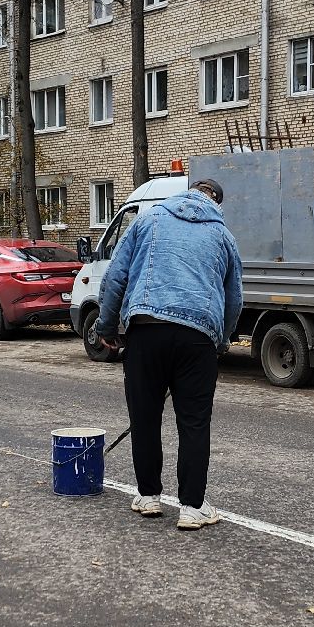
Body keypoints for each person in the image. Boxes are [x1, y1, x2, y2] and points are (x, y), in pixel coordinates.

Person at [95, 177, 242, 529]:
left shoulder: (148, 219)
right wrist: (221, 341)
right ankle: (192, 507)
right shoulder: (223, 236)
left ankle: (148, 496)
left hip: (145, 331)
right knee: (194, 422)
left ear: (186, 193)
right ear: (217, 204)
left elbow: (115, 277)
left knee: (145, 416)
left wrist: (106, 327)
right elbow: (234, 299)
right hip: (197, 338)